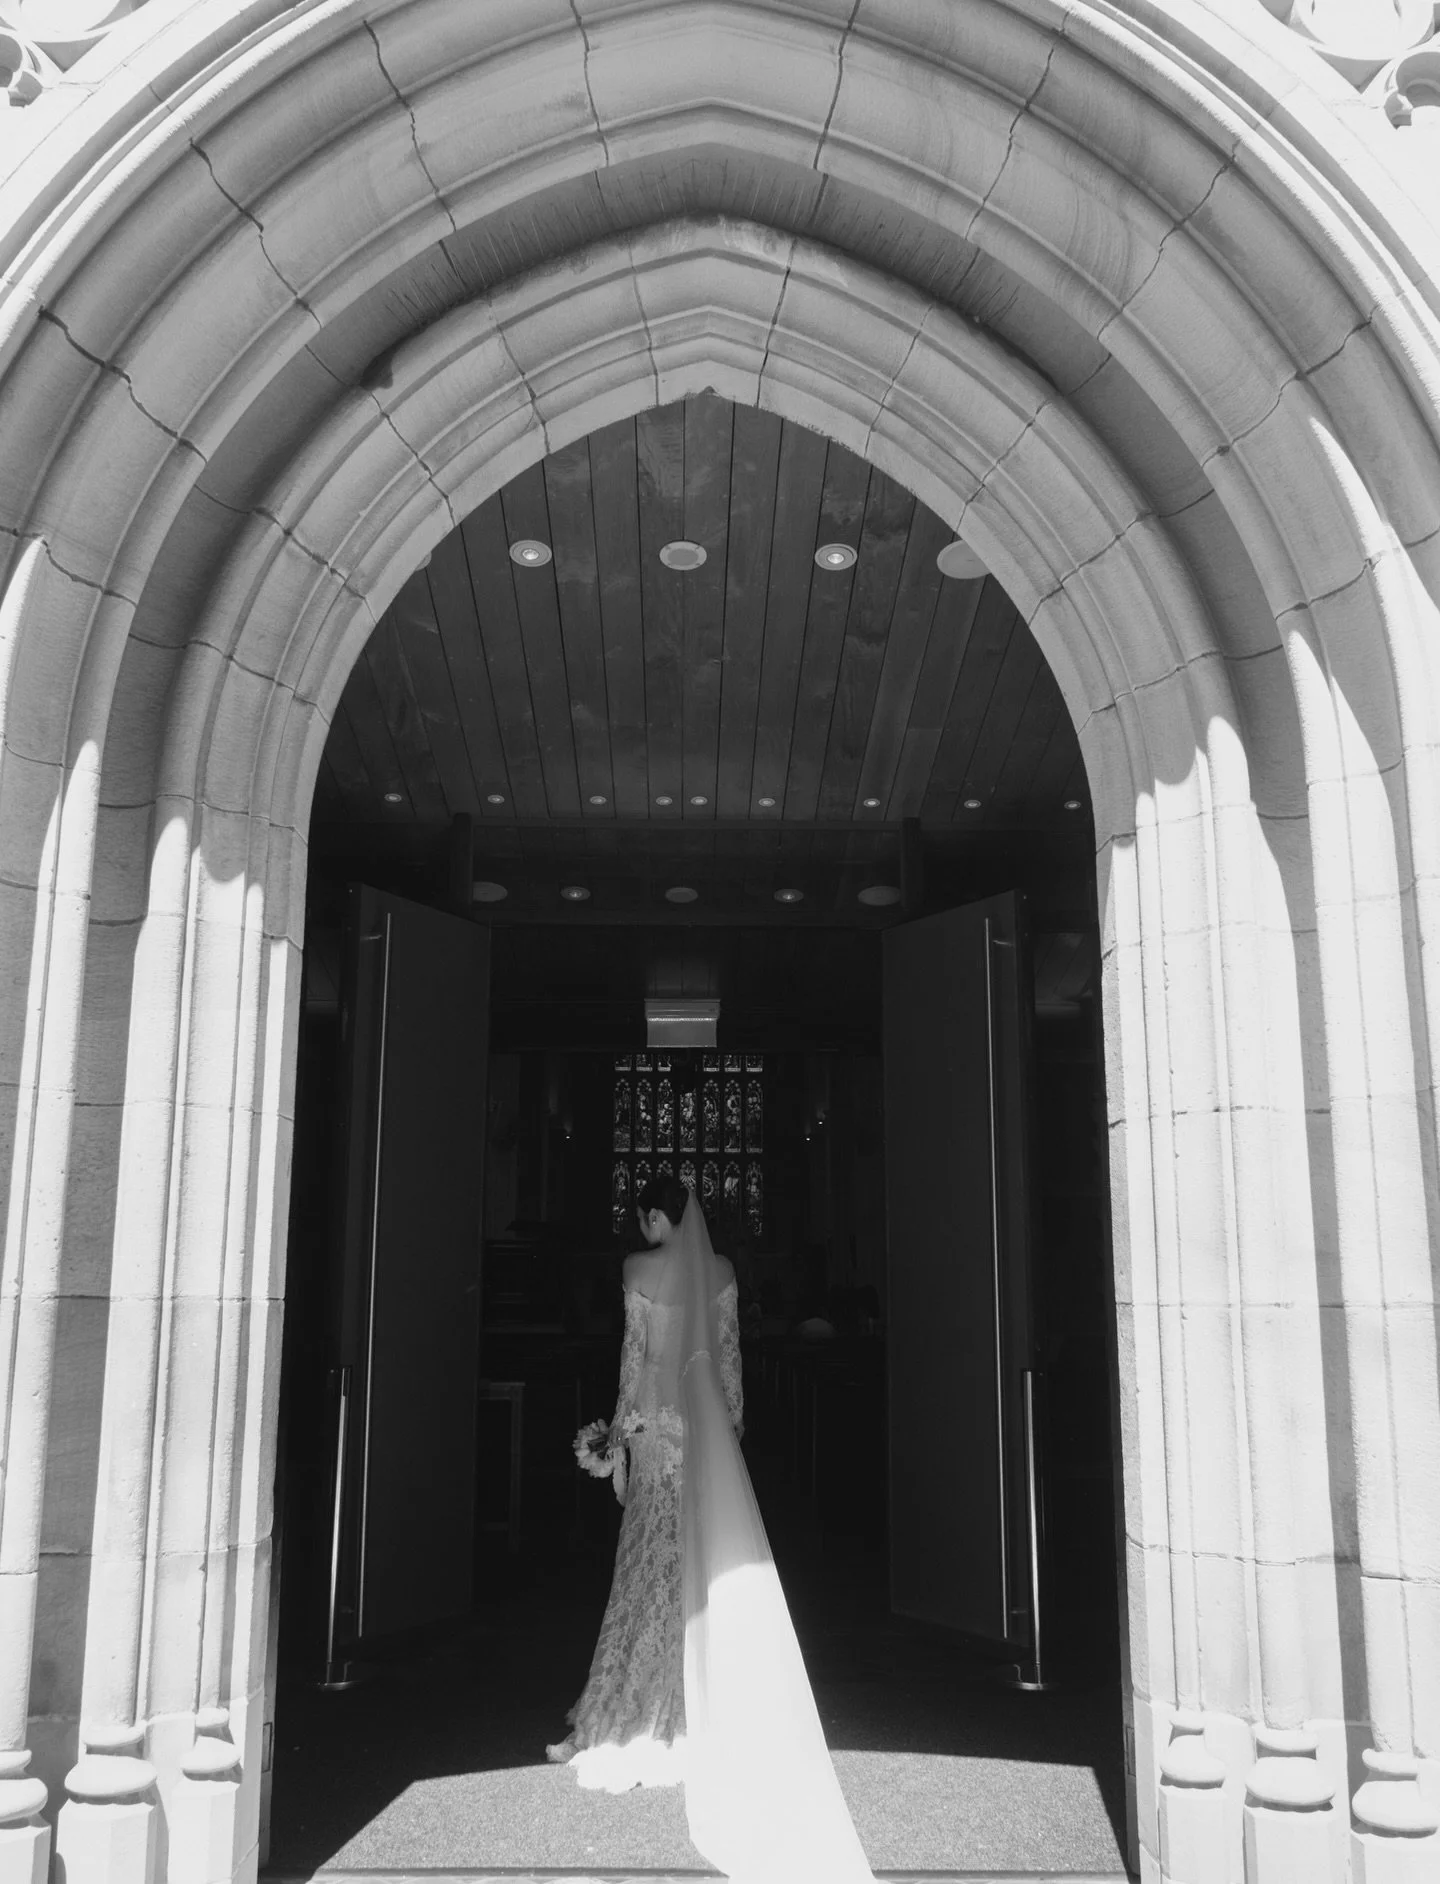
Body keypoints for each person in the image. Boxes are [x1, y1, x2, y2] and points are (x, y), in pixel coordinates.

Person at [548, 1174, 874, 1883]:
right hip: (700, 1438)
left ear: (653, 1215)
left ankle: (635, 1708)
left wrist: (618, 1439)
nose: (640, 1229)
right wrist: (731, 1434)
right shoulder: (723, 1272)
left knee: (644, 1568)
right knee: (699, 1565)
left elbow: (633, 1362)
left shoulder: (636, 1270)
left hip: (653, 1433)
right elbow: (728, 1363)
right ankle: (704, 1703)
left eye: (642, 1215)